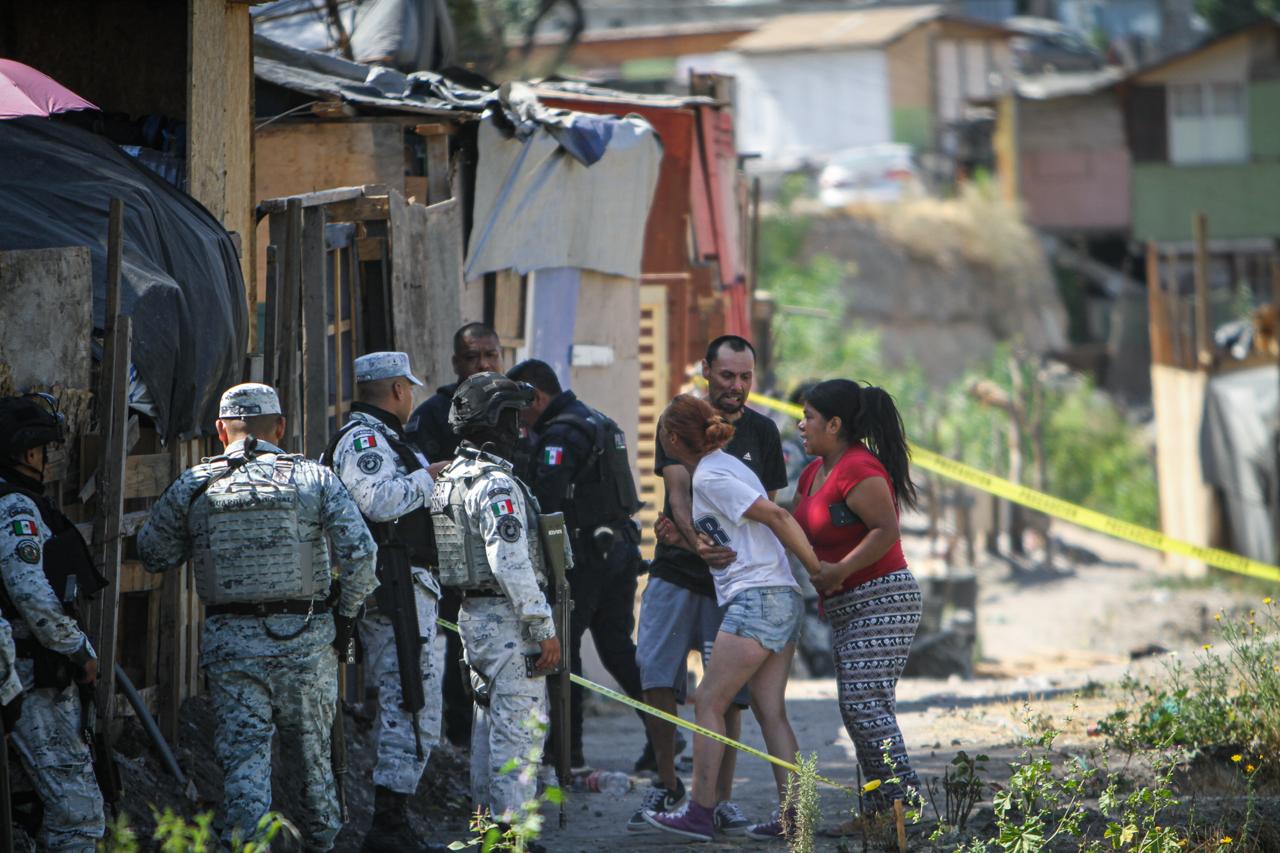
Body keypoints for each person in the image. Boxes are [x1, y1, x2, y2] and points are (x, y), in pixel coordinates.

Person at [139, 383, 379, 850]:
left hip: (232, 646)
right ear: (282, 427)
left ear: (219, 429)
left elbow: (152, 552)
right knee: (314, 759)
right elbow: (362, 556)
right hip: (307, 641)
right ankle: (321, 844)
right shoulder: (313, 478)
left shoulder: (196, 483)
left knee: (244, 761)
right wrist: (345, 617)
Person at [642, 395, 823, 843]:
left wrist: (820, 571)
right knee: (770, 712)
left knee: (708, 702)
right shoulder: (721, 470)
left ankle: (701, 811)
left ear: (670, 439)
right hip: (776, 596)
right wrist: (686, 544)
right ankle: (795, 819)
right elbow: (732, 549)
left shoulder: (714, 476)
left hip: (758, 599)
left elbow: (778, 516)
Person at [631, 335, 787, 836]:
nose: (736, 387)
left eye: (745, 377)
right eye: (727, 376)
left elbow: (771, 510)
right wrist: (695, 542)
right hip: (677, 571)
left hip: (738, 585)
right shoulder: (679, 420)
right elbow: (678, 490)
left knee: (727, 695)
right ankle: (667, 781)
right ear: (706, 371)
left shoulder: (763, 432)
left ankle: (719, 799)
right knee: (656, 674)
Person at [322, 353, 448, 853]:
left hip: (407, 587)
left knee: (416, 697)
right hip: (390, 588)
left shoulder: (387, 439)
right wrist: (429, 476)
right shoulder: (364, 440)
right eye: (409, 388)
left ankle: (394, 819)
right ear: (397, 389)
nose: (412, 396)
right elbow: (378, 502)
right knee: (407, 698)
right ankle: (387, 827)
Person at [429, 372, 560, 838]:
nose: (518, 430)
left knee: (487, 731)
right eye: (512, 419)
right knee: (517, 737)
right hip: (509, 623)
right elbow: (509, 562)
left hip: (475, 619)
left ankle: (488, 831)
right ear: (495, 422)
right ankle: (509, 839)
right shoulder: (495, 485)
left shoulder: (449, 479)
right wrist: (543, 627)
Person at [506, 359, 654, 771]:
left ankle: (567, 755)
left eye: (519, 406)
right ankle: (665, 739)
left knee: (562, 652)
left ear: (536, 397)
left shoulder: (561, 434)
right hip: (618, 549)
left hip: (585, 559)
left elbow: (546, 502)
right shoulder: (594, 419)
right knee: (618, 648)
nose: (517, 418)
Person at [792, 379, 924, 831]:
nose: (800, 424)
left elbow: (885, 530)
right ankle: (880, 812)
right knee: (857, 707)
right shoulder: (813, 473)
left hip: (883, 598)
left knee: (866, 706)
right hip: (846, 606)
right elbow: (793, 527)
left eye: (808, 416)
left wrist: (841, 569)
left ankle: (908, 810)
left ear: (835, 423)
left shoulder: (859, 468)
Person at [0, 393, 104, 851]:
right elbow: (31, 593)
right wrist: (77, 650)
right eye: (43, 451)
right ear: (28, 453)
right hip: (30, 677)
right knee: (77, 815)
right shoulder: (17, 509)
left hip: (21, 674)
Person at [407, 322, 503, 748]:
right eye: (472, 357)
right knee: (451, 652)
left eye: (490, 355)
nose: (483, 364)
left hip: (504, 556)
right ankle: (458, 740)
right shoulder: (433, 414)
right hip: (448, 555)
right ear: (455, 363)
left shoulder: (512, 406)